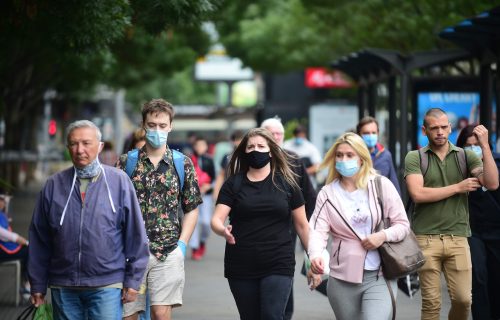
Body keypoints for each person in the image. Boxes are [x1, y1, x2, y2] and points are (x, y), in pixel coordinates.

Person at [28, 120, 149, 320]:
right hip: (63, 285)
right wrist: (37, 284)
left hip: (107, 285)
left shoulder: (119, 182)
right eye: (74, 144)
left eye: (86, 143)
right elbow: (39, 239)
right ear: (68, 148)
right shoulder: (53, 185)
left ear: (100, 146)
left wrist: (133, 281)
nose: (80, 149)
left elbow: (136, 236)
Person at [404, 108, 498, 320]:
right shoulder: (415, 157)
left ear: (450, 128)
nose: (440, 132)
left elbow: (492, 183)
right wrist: (458, 187)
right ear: (425, 130)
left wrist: (484, 147)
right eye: (434, 128)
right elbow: (418, 194)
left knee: (464, 301)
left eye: (444, 127)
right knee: (431, 303)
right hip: (425, 238)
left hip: (458, 238)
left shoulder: (465, 156)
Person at [211, 128, 314, 320]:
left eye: (260, 146)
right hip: (241, 263)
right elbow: (216, 219)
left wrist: (313, 259)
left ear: (271, 151)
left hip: (278, 260)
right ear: (244, 151)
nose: (255, 150)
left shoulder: (287, 183)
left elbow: (302, 225)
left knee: (272, 315)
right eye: (250, 147)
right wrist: (222, 230)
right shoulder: (233, 184)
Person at [308, 132, 410, 320]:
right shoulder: (327, 193)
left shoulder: (381, 185)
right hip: (341, 278)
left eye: (349, 155)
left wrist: (383, 236)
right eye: (339, 155)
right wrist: (315, 256)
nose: (343, 159)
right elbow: (316, 231)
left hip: (379, 275)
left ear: (362, 159)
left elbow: (402, 225)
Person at [117, 98, 202, 320]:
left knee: (160, 314)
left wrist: (182, 245)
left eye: (162, 126)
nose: (157, 130)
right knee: (129, 315)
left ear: (170, 126)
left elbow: (192, 208)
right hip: (129, 254)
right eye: (152, 125)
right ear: (144, 125)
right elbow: (114, 208)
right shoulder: (126, 163)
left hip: (168, 252)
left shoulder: (182, 163)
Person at [261, 117, 318, 319]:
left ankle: (285, 313)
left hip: (287, 229)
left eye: (279, 134)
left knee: (284, 271)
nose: (276, 137)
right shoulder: (249, 159)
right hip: (256, 233)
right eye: (271, 133)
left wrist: (312, 229)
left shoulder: (293, 160)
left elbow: (310, 198)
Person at [456, 124, 500, 320]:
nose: (473, 149)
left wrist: (485, 150)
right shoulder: (459, 169)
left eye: (477, 144)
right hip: (472, 231)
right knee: (478, 277)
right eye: (468, 145)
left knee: (496, 278)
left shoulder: (495, 163)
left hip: (497, 230)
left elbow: (492, 184)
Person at [356, 116, 401, 194]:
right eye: (366, 133)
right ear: (359, 134)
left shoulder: (385, 155)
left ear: (378, 133)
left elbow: (394, 186)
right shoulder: (353, 155)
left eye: (373, 133)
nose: (370, 136)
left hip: (381, 203)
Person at [189, 137, 216, 261]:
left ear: (206, 147)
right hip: (192, 196)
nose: (200, 148)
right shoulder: (188, 160)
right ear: (194, 146)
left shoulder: (209, 161)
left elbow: (214, 179)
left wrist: (208, 187)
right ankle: (194, 248)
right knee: (193, 222)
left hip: (206, 196)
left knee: (205, 222)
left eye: (202, 145)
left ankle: (202, 241)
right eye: (198, 145)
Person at [0, 194, 30, 295]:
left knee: (29, 250)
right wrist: (26, 242)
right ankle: (26, 284)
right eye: (1, 200)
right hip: (2, 251)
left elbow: (5, 216)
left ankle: (26, 284)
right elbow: (6, 235)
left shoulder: (2, 215)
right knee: (29, 251)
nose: (3, 203)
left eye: (3, 200)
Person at [212, 130, 244, 201]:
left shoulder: (250, 156)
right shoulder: (227, 157)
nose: (238, 142)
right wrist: (216, 192)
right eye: (236, 140)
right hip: (230, 191)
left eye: (241, 140)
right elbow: (221, 175)